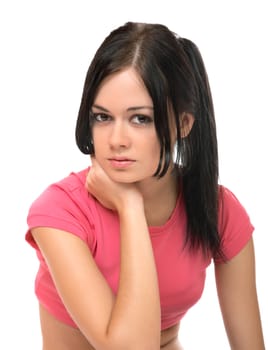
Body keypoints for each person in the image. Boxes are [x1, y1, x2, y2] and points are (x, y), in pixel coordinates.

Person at [25, 22, 265, 350]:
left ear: (183, 123)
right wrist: (131, 207)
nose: (116, 140)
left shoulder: (218, 211)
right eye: (102, 117)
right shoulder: (60, 212)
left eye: (141, 119)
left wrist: (129, 205)